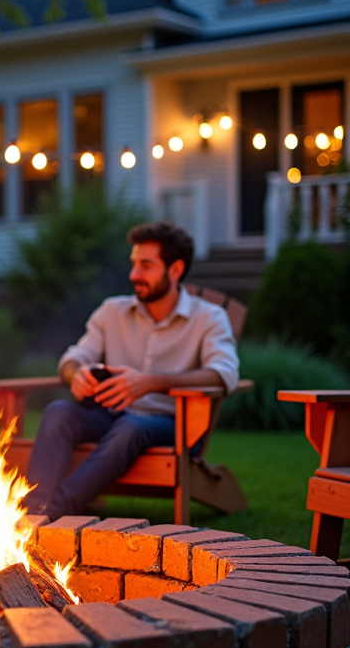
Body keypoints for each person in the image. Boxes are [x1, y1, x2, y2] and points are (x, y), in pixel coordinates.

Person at [23, 221, 239, 520]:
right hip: (111, 414)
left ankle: (55, 512)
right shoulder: (112, 311)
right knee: (60, 410)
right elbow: (74, 358)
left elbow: (223, 374)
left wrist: (150, 383)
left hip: (171, 424)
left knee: (132, 427)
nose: (134, 274)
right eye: (134, 264)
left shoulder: (209, 318)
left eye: (146, 266)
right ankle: (32, 510)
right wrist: (77, 374)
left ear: (175, 270)